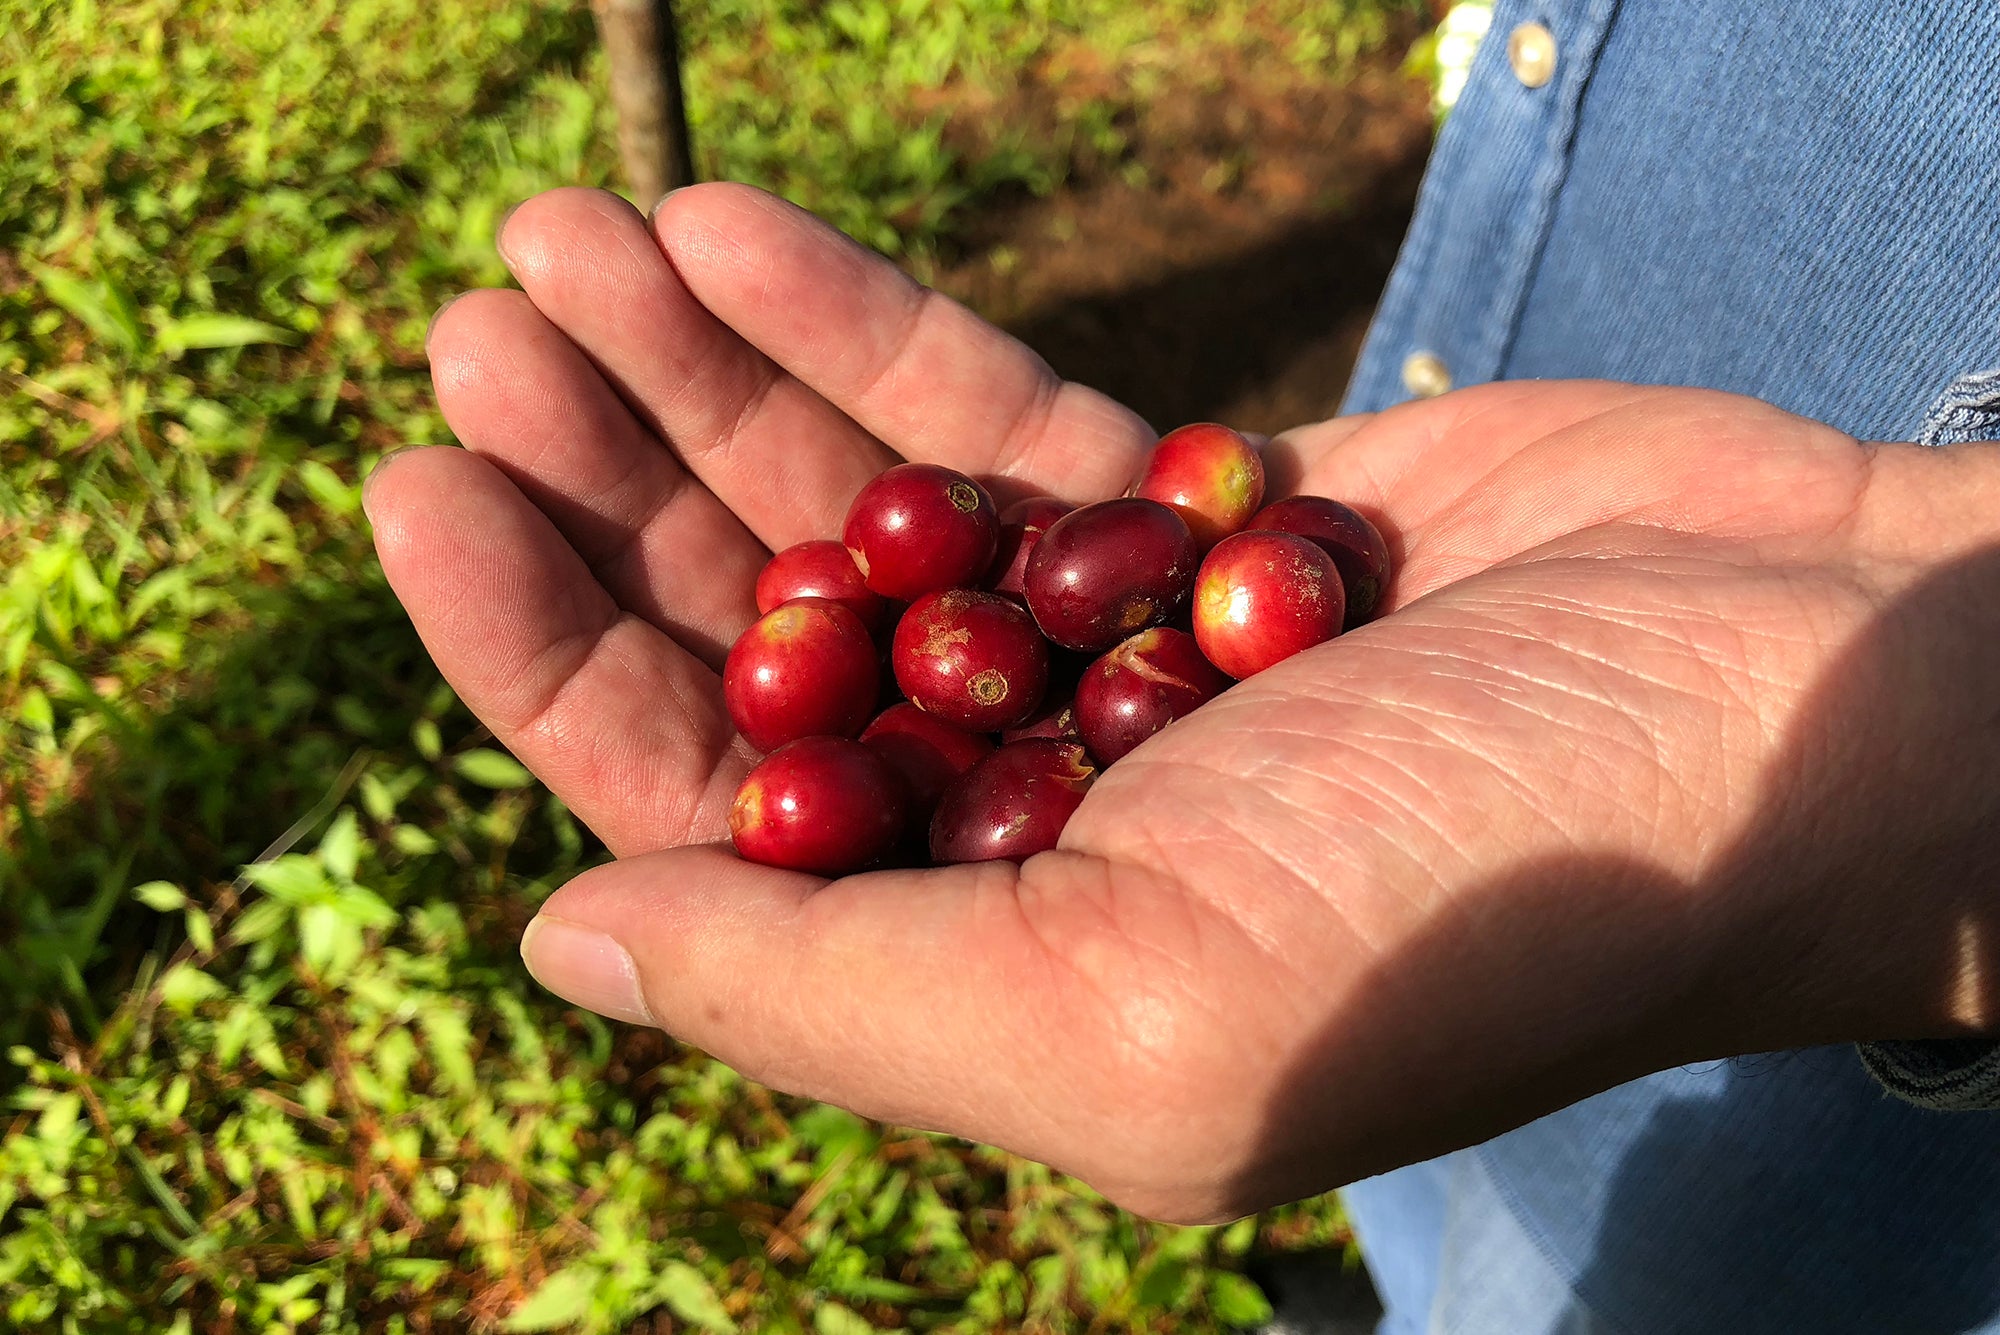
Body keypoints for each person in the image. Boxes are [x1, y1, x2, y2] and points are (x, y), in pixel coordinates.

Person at [365, 3, 2000, 1328]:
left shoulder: (1136, 636)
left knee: (1693, 1261)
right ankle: (1408, 1289)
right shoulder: (1066, 633)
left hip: (1850, 1191)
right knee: (1443, 1161)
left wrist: (1920, 764)